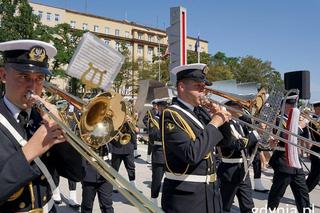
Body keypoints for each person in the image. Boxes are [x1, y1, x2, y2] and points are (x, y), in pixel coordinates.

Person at [0, 40, 85, 212]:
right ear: (3, 75)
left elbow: (76, 173)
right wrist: (29, 152)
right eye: (24, 77)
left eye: (39, 78)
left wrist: (61, 129)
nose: (33, 87)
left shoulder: (42, 118)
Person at [161, 63, 231, 213]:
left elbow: (227, 144)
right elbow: (191, 154)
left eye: (204, 87)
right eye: (198, 86)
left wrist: (222, 121)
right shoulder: (171, 114)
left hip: (210, 193)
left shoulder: (200, 112)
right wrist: (214, 123)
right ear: (181, 87)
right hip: (186, 198)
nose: (203, 91)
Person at [267, 95, 311, 213]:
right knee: (277, 193)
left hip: (296, 162)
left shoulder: (297, 120)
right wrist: (300, 127)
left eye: (294, 105)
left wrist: (304, 126)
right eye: (290, 104)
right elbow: (283, 137)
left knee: (303, 194)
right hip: (283, 161)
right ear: (283, 106)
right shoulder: (278, 119)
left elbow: (305, 138)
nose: (293, 107)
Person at [217, 101, 260, 213]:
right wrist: (256, 133)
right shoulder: (223, 125)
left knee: (248, 206)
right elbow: (236, 144)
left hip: (243, 170)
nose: (242, 109)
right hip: (229, 170)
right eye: (239, 106)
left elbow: (250, 143)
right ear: (229, 107)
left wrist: (266, 142)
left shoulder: (239, 123)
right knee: (224, 206)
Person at [81, 144, 114, 213]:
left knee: (107, 205)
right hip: (88, 173)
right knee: (87, 205)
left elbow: (117, 145)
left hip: (106, 173)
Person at [148, 98, 168, 205]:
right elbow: (153, 135)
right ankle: (153, 201)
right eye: (163, 107)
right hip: (159, 154)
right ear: (159, 108)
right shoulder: (154, 119)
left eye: (166, 107)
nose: (164, 109)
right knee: (156, 180)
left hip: (170, 155)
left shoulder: (170, 119)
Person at [110, 117, 140, 189]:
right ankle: (114, 185)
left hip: (129, 147)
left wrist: (131, 123)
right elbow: (111, 130)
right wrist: (122, 122)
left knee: (131, 167)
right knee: (115, 167)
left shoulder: (131, 118)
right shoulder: (116, 117)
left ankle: (133, 185)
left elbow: (137, 131)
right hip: (117, 146)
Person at [306, 101, 320, 192]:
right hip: (317, 151)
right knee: (315, 176)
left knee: (314, 176)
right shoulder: (314, 122)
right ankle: (303, 193)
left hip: (316, 151)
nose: (314, 110)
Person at [143, 99, 160, 164]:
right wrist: (149, 126)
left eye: (156, 105)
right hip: (152, 130)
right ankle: (148, 158)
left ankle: (156, 158)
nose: (155, 106)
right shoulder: (149, 111)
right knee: (150, 145)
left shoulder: (160, 111)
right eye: (154, 104)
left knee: (157, 145)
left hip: (159, 131)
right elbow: (145, 119)